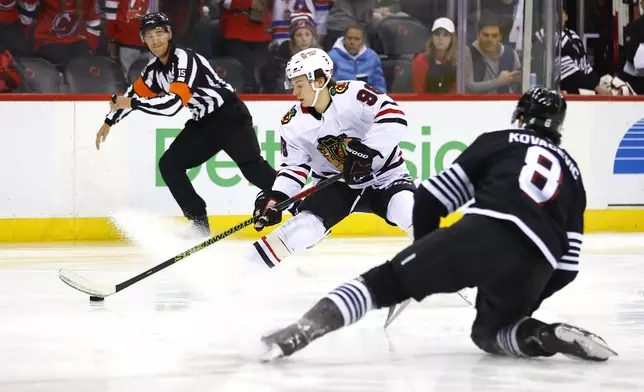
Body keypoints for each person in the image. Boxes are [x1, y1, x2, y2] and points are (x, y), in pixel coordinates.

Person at [259, 86, 618, 363]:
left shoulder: (499, 141)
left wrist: (425, 252)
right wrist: (520, 296)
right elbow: (568, 267)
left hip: (484, 233)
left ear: (521, 116)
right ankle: (544, 333)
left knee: (384, 282)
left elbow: (432, 198)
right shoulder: (572, 172)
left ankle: (300, 331)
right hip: (538, 261)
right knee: (491, 334)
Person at [95, 12, 276, 237]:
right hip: (203, 121)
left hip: (229, 116)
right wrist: (109, 121)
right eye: (149, 36)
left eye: (159, 33)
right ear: (143, 40)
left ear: (169, 34)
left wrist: (131, 103)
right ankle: (199, 225)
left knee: (253, 168)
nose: (155, 40)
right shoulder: (153, 70)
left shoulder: (184, 60)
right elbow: (132, 94)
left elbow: (171, 106)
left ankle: (303, 206)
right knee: (170, 165)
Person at [248, 48, 415, 272]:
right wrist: (277, 197)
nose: (294, 91)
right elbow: (294, 168)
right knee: (299, 230)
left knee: (411, 212)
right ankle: (240, 276)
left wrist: (367, 151)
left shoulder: (354, 94)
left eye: (299, 84)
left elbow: (394, 116)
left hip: (384, 176)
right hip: (337, 184)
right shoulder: (292, 123)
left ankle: (457, 269)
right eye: (293, 85)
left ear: (319, 81)